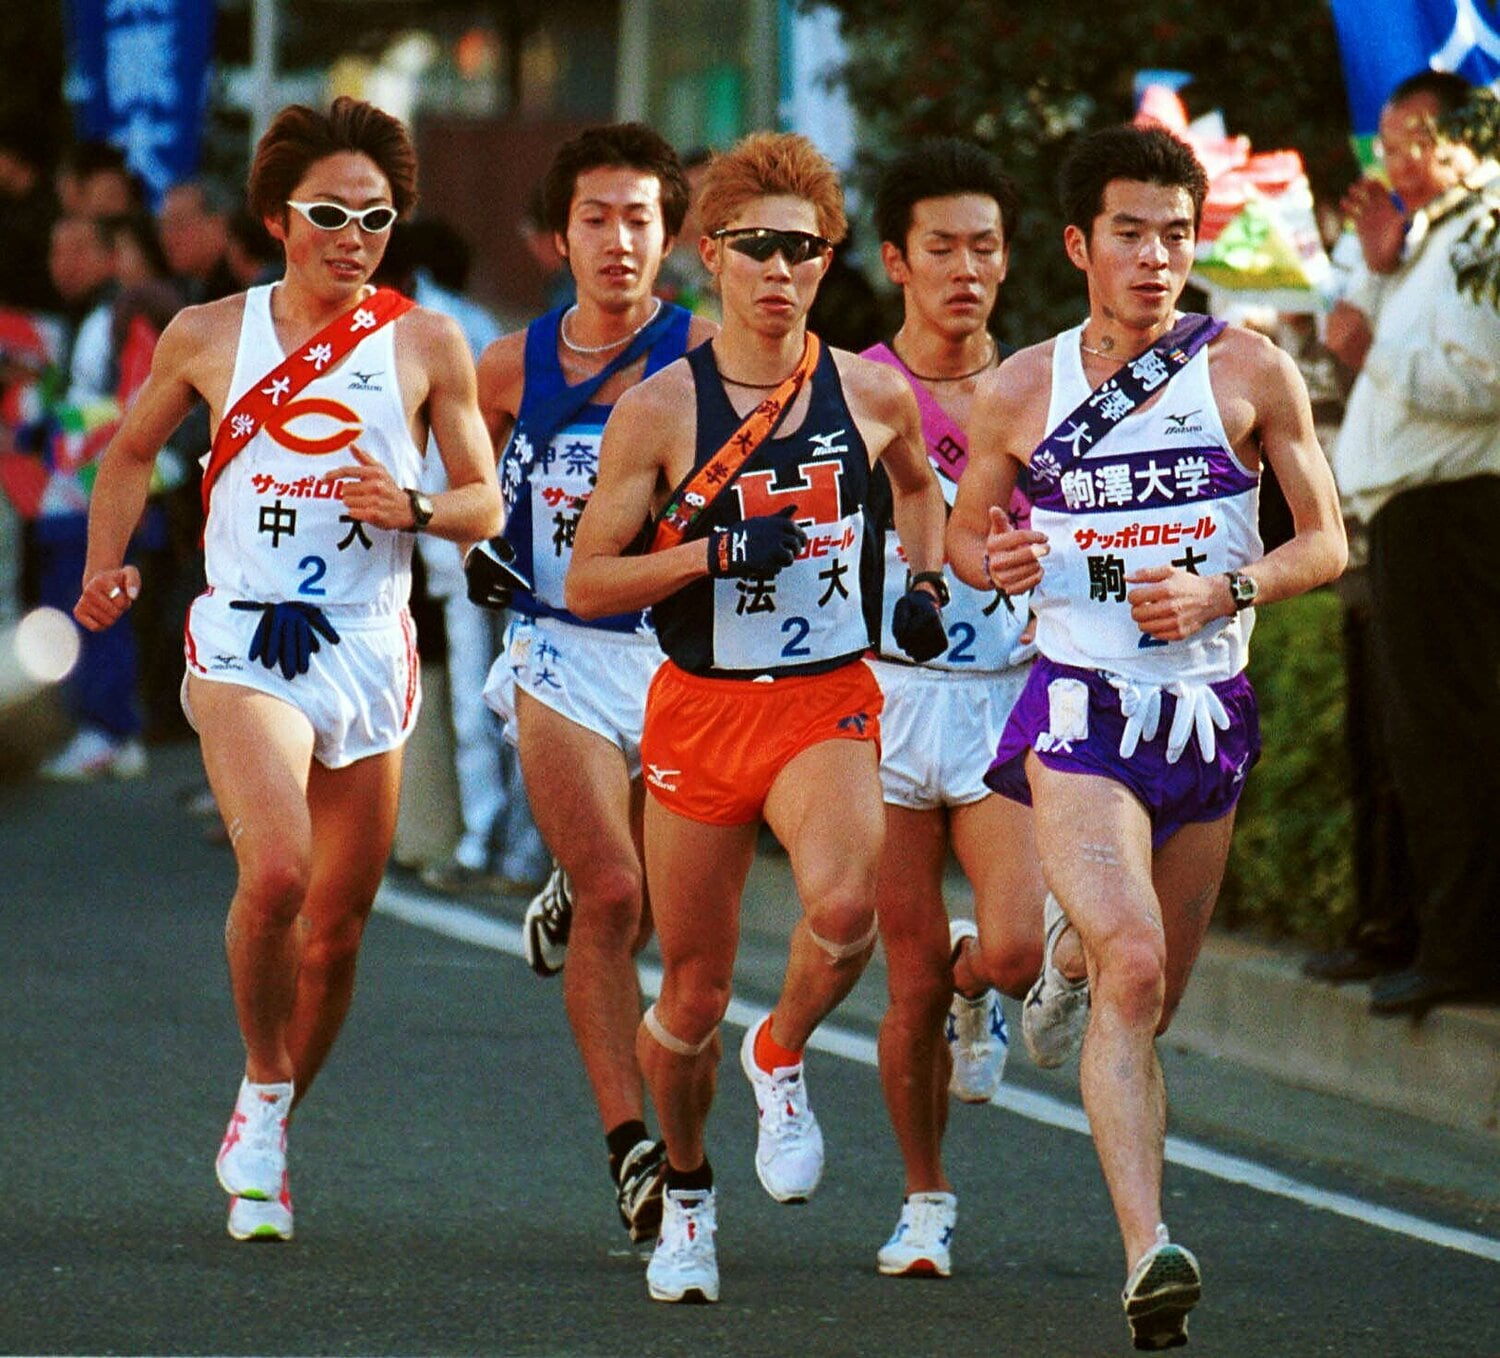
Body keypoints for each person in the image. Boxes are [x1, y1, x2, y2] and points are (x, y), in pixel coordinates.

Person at [73, 96, 503, 1243]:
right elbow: (127, 452)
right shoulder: (211, 332)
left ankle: (266, 1112)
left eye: (375, 216)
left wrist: (411, 503)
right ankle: (264, 1070)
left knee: (341, 926)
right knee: (277, 874)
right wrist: (105, 569)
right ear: (277, 218)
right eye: (330, 212)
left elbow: (484, 501)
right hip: (243, 638)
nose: (353, 235)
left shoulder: (425, 342)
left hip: (368, 642)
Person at [947, 123, 1345, 1349]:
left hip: (1208, 707)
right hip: (1082, 708)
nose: (1156, 256)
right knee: (1133, 955)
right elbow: (965, 538)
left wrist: (1231, 591)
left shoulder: (1251, 369)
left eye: (1177, 233)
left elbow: (1326, 542)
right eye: (1130, 232)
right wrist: (999, 557)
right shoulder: (1021, 384)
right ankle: (1148, 1251)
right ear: (1079, 244)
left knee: (1142, 992)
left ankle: (1056, 968)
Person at [565, 130, 949, 1305]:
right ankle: (686, 1192)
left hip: (825, 697)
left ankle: (779, 1048)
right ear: (709, 258)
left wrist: (923, 586)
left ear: (829, 263)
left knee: (843, 905)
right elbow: (587, 582)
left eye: (804, 249)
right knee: (684, 992)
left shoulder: (874, 388)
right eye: (757, 248)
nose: (781, 270)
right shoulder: (660, 408)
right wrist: (714, 550)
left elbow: (922, 485)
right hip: (698, 710)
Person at [473, 123, 714, 1247]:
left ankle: (572, 886)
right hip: (558, 646)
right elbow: (474, 489)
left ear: (672, 236)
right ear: (557, 236)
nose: (618, 241)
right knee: (619, 893)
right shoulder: (503, 367)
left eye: (639, 219)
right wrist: (475, 544)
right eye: (595, 219)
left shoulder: (710, 356)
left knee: (660, 909)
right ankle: (633, 1148)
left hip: (678, 657)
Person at [860, 138, 1053, 1279]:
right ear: (896, 258)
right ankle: (924, 1195)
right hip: (883, 702)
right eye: (941, 247)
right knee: (908, 969)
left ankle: (981, 995)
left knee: (1018, 945)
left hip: (1004, 701)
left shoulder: (1039, 386)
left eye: (985, 246)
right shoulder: (855, 386)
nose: (966, 269)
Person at [1325, 71, 1500, 1017]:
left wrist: (1372, 349)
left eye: (1412, 142)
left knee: (1450, 732)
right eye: (1385, 145)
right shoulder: (1427, 237)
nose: (1393, 163)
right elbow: (1353, 319)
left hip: (1457, 510)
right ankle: (1408, 927)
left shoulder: (1487, 231)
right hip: (1401, 514)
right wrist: (1377, 266)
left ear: (1467, 138)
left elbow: (1481, 382)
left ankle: (1466, 947)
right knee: (1398, 737)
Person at [374, 217, 547, 896]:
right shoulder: (383, 324)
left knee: (501, 701)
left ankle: (501, 845)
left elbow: (494, 441)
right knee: (476, 704)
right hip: (434, 544)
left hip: (487, 539)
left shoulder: (456, 328)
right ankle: (484, 838)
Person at [34, 213, 149, 780]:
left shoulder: (117, 318)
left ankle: (107, 730)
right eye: (57, 251)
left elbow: (135, 408)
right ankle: (105, 730)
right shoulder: (76, 320)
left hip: (96, 496)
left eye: (79, 249)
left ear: (112, 256)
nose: (65, 263)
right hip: (75, 494)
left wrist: (48, 420)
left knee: (96, 612)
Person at [158, 177, 239, 303]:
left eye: (179, 224)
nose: (167, 237)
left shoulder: (248, 284)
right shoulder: (183, 290)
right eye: (164, 226)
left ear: (218, 225)